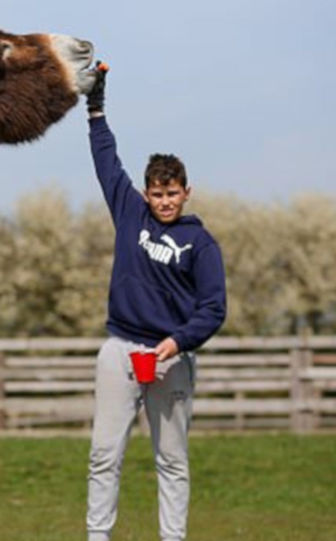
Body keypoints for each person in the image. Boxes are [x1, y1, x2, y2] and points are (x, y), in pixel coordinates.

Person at [82, 62, 227, 541]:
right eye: (158, 194)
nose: (165, 201)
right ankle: (98, 537)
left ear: (187, 192)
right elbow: (107, 161)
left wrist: (176, 343)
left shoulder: (200, 244)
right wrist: (96, 107)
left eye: (173, 193)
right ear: (146, 194)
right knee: (104, 454)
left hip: (171, 358)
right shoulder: (129, 211)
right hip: (120, 350)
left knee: (172, 459)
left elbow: (213, 309)